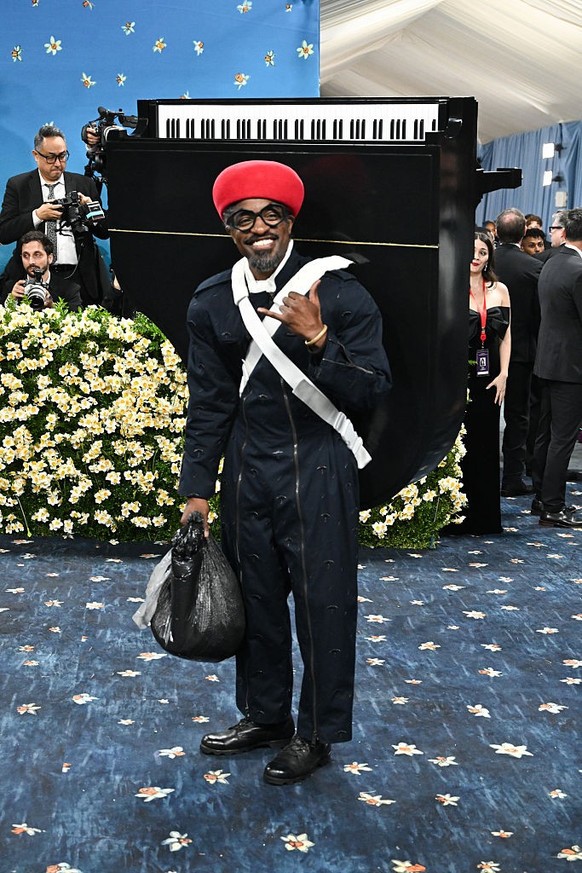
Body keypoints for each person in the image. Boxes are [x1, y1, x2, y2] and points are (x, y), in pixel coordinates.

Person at [178, 159, 391, 785]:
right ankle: (266, 716)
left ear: (290, 220)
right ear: (229, 229)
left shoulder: (341, 291)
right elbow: (210, 402)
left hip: (319, 467)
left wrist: (320, 337)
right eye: (242, 219)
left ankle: (318, 732)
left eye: (271, 215)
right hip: (246, 472)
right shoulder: (213, 299)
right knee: (258, 602)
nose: (258, 228)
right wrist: (196, 489)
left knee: (323, 606)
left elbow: (375, 388)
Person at [0, 123, 108, 306]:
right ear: (36, 156)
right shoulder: (18, 185)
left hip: (80, 278)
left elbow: (104, 231)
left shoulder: (84, 184)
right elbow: (4, 233)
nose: (58, 163)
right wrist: (37, 216)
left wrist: (91, 209)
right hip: (33, 279)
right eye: (50, 158)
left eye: (62, 156)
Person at [447, 232, 511, 535]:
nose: (477, 257)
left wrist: (505, 374)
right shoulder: (452, 286)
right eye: (473, 251)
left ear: (489, 258)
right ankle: (457, 515)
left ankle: (485, 517)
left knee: (485, 442)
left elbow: (506, 335)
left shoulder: (500, 290)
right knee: (460, 443)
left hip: (491, 374)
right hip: (458, 372)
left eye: (483, 253)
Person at [531, 208, 582, 528]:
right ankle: (552, 506)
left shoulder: (551, 261)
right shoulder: (577, 269)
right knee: (562, 438)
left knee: (546, 436)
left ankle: (541, 497)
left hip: (548, 361)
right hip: (570, 367)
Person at [494, 207, 541, 496]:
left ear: (496, 233)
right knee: (517, 417)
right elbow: (539, 316)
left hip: (482, 351)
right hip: (522, 354)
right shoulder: (533, 268)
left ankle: (480, 473)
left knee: (480, 416)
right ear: (524, 233)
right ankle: (512, 477)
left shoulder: (483, 263)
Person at [0, 230, 82, 310]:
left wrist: (53, 307)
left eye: (37, 255)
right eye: (26, 256)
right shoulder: (10, 287)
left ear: (50, 258)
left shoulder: (70, 290)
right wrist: (11, 301)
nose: (31, 261)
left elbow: (77, 317)